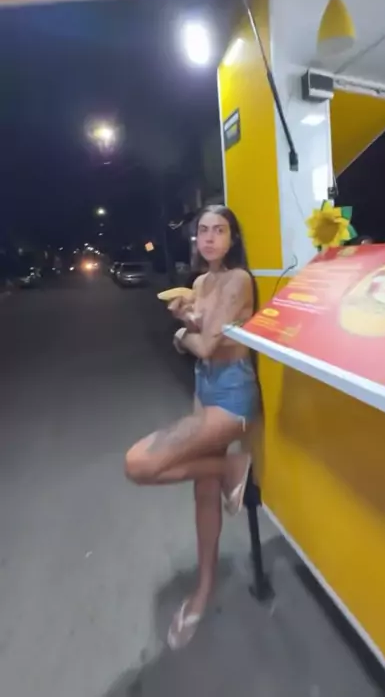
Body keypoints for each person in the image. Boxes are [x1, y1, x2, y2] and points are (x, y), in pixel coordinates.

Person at [125, 205, 261, 650]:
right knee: (203, 492)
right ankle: (202, 590)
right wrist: (185, 317)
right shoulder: (201, 283)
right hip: (205, 388)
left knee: (139, 464)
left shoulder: (238, 280)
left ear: (232, 238)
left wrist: (181, 335)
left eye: (219, 230)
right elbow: (201, 331)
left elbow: (204, 346)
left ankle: (233, 466)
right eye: (203, 230)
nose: (209, 238)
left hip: (233, 394)